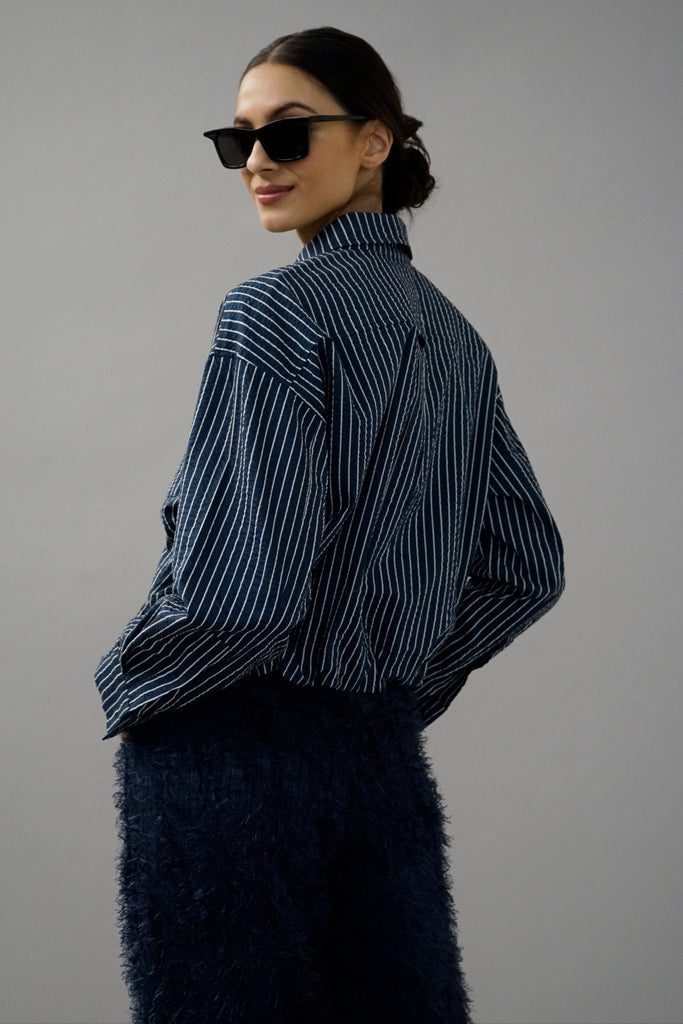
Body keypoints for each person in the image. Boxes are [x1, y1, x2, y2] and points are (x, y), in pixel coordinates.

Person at [96, 25, 564, 1024]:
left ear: (375, 140)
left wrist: (132, 677)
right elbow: (526, 566)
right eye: (240, 142)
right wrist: (392, 685)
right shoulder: (453, 338)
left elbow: (239, 596)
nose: (258, 163)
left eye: (288, 134)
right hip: (374, 751)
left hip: (226, 751)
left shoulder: (271, 315)